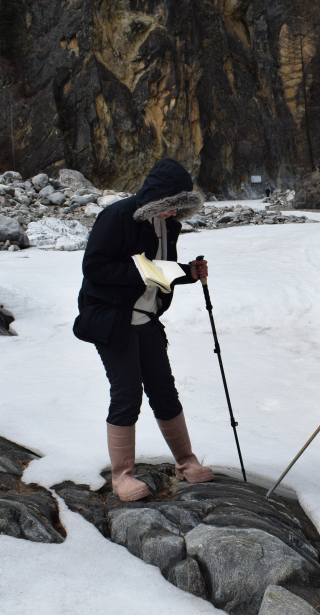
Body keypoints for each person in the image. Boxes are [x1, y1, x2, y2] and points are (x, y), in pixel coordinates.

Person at [73, 158, 213, 501]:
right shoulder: (119, 216)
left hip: (147, 318)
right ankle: (122, 477)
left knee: (164, 390)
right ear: (154, 200)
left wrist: (188, 272)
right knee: (127, 395)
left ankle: (186, 462)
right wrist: (141, 271)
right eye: (168, 207)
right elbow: (94, 267)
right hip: (111, 319)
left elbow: (158, 270)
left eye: (178, 208)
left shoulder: (170, 226)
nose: (171, 214)